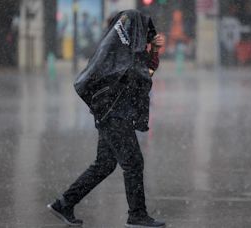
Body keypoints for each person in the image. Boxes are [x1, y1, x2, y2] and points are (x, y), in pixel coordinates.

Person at [47, 10, 165, 227]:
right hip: (114, 115)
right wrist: (152, 51)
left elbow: (145, 71)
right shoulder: (117, 54)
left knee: (105, 164)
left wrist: (154, 50)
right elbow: (143, 73)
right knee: (133, 162)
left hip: (110, 114)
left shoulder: (118, 51)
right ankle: (137, 215)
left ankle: (64, 203)